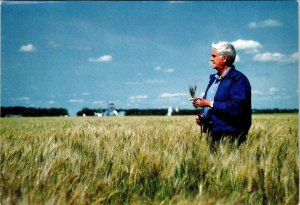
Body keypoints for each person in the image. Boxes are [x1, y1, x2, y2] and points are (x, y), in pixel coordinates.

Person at [192, 41, 251, 147]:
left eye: (214, 56)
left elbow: (236, 107)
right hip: (213, 134)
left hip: (231, 137)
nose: (211, 59)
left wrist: (209, 103)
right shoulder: (213, 80)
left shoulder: (238, 79)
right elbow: (210, 103)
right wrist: (203, 116)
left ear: (224, 58)